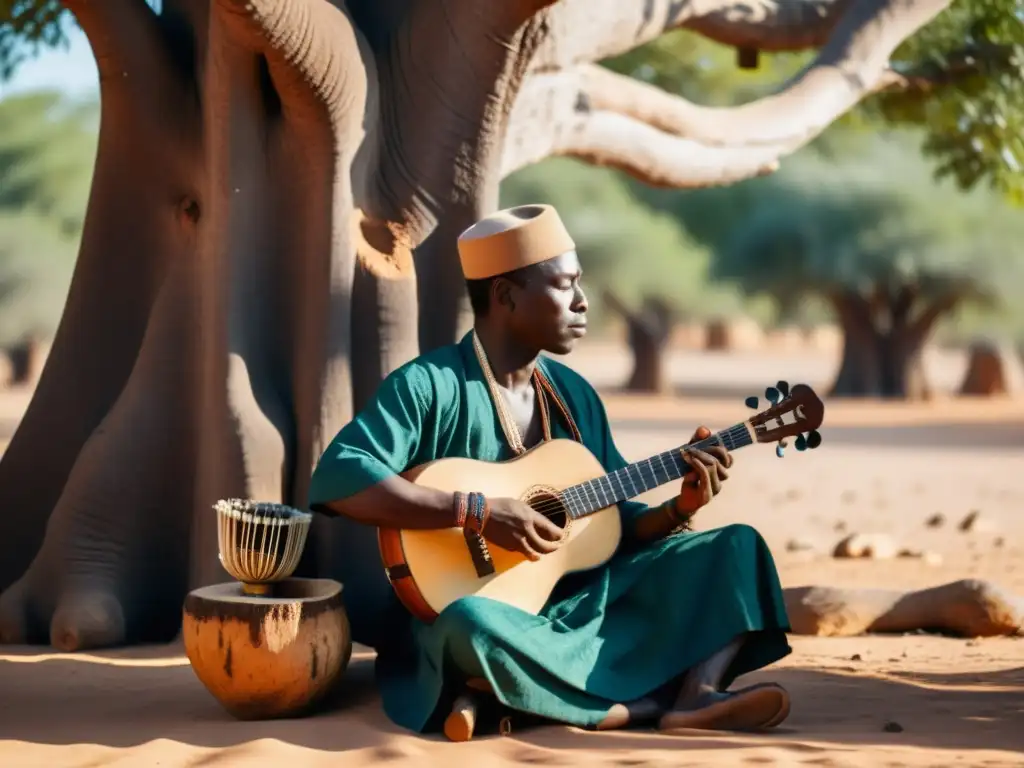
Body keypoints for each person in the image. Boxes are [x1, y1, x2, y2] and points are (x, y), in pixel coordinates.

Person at [308, 203, 793, 735]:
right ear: (506, 296)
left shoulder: (573, 395)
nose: (583, 302)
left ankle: (697, 693)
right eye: (565, 286)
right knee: (470, 626)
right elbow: (340, 475)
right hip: (484, 614)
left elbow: (614, 525)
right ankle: (640, 704)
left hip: (580, 601)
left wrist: (680, 507)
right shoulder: (429, 385)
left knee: (736, 546)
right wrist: (474, 511)